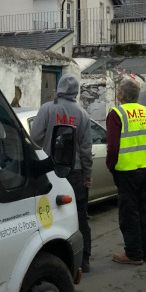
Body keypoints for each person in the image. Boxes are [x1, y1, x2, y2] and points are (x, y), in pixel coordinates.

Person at [31, 73, 93, 272]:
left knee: (48, 215)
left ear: (58, 88)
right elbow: (86, 148)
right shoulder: (82, 114)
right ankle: (83, 260)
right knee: (80, 216)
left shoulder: (47, 109)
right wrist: (87, 173)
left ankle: (53, 258)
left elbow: (35, 138)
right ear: (75, 92)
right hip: (74, 172)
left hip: (50, 170)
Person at [106, 76, 146, 265]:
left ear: (120, 95)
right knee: (144, 212)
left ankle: (133, 254)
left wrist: (111, 166)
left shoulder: (116, 114)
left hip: (126, 171)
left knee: (129, 214)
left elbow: (113, 147)